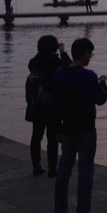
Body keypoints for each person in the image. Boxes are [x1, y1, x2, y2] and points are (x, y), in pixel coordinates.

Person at [53, 38, 107, 213]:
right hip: (85, 129)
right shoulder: (87, 75)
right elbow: (100, 99)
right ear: (85, 53)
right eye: (90, 54)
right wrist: (102, 84)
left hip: (66, 128)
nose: (90, 58)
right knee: (85, 171)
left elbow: (55, 100)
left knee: (64, 171)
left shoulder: (59, 73)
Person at [26, 35, 71, 177]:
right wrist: (63, 52)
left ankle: (36, 166)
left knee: (36, 136)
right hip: (52, 106)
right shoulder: (55, 62)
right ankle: (52, 168)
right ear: (54, 47)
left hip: (36, 105)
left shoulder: (33, 62)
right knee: (52, 138)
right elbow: (70, 68)